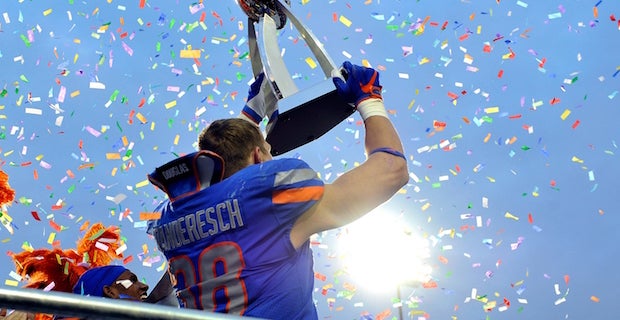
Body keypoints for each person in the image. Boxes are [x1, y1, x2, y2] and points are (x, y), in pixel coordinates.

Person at [146, 61, 408, 319]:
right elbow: (392, 170)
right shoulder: (269, 198)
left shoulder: (169, 218)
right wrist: (369, 98)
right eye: (269, 153)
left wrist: (249, 116)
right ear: (259, 158)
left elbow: (219, 181)